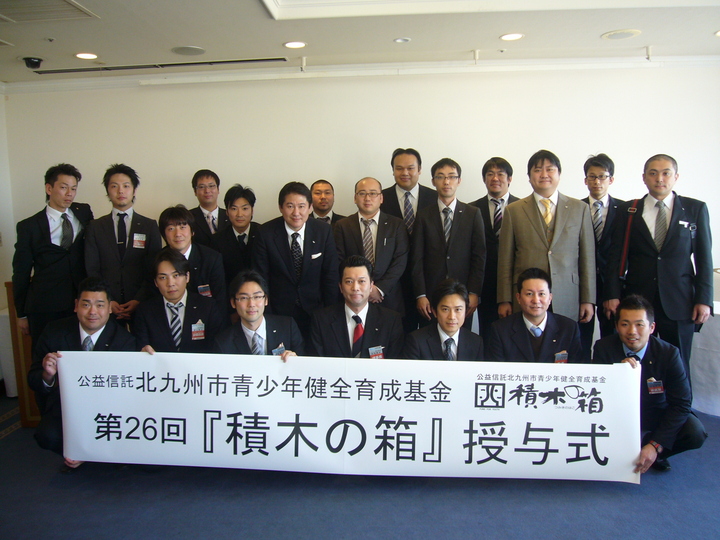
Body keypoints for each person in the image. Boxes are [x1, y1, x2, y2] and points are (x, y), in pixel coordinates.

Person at [603, 154, 712, 377]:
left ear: (676, 177)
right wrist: (612, 294)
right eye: (653, 173)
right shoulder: (629, 211)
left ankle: (679, 401)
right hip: (638, 301)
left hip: (680, 301)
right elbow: (615, 257)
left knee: (679, 365)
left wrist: (704, 299)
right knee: (635, 365)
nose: (659, 178)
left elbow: (704, 259)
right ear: (644, 178)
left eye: (665, 173)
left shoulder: (695, 209)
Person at [27, 277, 136, 467]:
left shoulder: (124, 341)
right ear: (76, 305)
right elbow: (33, 379)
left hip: (108, 412)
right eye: (86, 304)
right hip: (66, 409)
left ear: (110, 308)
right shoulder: (54, 332)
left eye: (100, 305)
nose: (93, 312)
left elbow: (127, 394)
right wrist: (47, 375)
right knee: (47, 436)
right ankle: (75, 452)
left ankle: (92, 454)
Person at [593, 294, 707, 473]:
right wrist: (617, 375)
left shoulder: (669, 354)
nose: (632, 331)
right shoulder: (603, 348)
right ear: (616, 326)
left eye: (639, 324)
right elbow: (596, 394)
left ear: (652, 327)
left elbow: (682, 403)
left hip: (655, 412)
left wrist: (656, 445)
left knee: (695, 432)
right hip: (618, 413)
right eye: (625, 324)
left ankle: (655, 454)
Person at [497, 150, 596, 327]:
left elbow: (587, 258)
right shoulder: (513, 210)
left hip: (568, 295)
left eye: (550, 169)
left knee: (564, 340)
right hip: (526, 297)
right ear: (529, 177)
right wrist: (505, 299)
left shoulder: (580, 209)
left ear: (559, 174)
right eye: (537, 170)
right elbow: (505, 259)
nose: (544, 175)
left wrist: (588, 299)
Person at [13, 163, 94, 344]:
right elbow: (21, 272)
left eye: (74, 188)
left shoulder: (84, 212)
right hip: (44, 305)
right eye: (64, 187)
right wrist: (21, 313)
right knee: (46, 353)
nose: (70, 194)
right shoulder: (29, 226)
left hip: (79, 302)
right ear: (49, 189)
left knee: (79, 351)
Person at [253, 181, 339, 349]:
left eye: (301, 206)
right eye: (290, 206)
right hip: (279, 312)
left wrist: (329, 313)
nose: (296, 213)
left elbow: (330, 274)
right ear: (281, 207)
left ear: (310, 207)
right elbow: (261, 278)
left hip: (316, 311)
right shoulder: (265, 233)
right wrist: (267, 314)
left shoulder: (323, 231)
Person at [411, 157, 486, 328]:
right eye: (440, 177)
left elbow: (479, 256)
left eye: (452, 176)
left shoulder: (473, 214)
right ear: (433, 181)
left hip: (462, 295)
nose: (446, 182)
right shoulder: (423, 215)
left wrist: (474, 292)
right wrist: (420, 295)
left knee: (460, 339)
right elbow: (417, 258)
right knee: (429, 338)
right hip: (431, 296)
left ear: (459, 181)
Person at [84, 163, 162, 322]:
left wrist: (139, 299)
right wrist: (107, 299)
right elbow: (92, 268)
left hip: (142, 304)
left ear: (134, 190)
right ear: (107, 191)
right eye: (114, 186)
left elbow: (154, 268)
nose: (120, 191)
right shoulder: (95, 227)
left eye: (126, 186)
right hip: (105, 306)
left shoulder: (149, 226)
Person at [334, 177, 409, 314]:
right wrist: (362, 288)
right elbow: (339, 260)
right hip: (354, 296)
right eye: (362, 193)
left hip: (388, 297)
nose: (367, 198)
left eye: (373, 193)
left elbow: (400, 260)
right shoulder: (342, 226)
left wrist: (379, 289)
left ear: (381, 198)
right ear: (355, 198)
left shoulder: (396, 224)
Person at [381, 148, 437, 332]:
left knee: (429, 336)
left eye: (410, 168)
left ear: (419, 169)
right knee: (398, 334)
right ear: (393, 170)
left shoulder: (435, 198)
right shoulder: (380, 199)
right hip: (393, 285)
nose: (405, 173)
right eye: (399, 168)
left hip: (428, 282)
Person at [311, 255, 404, 359]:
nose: (355, 288)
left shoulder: (390, 321)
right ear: (340, 287)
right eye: (349, 281)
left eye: (361, 281)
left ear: (371, 286)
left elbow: (394, 363)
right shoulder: (321, 320)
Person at [134, 249, 224, 353]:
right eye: (163, 277)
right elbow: (141, 345)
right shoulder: (145, 311)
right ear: (156, 282)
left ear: (187, 277)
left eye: (176, 275)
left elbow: (216, 347)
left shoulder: (208, 307)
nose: (170, 283)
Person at [579, 154, 624, 358]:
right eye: (592, 176)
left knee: (612, 339)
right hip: (582, 284)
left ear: (611, 179)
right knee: (581, 339)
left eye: (602, 176)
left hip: (612, 284)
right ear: (585, 180)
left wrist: (614, 291)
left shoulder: (624, 210)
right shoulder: (575, 208)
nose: (597, 181)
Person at [470, 157, 519, 346]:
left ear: (510, 178)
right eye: (490, 174)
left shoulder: (523, 207)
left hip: (516, 285)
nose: (495, 178)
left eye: (500, 174)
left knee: (515, 337)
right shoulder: (471, 209)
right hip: (485, 285)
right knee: (488, 336)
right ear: (484, 179)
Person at [488, 267, 582, 363]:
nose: (536, 300)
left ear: (550, 298)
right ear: (519, 298)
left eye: (541, 294)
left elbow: (577, 368)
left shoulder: (569, 328)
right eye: (529, 294)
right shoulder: (501, 330)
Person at [214, 270, 302, 360]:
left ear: (266, 300)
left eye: (257, 297)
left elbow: (304, 362)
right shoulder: (223, 343)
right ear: (233, 303)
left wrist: (296, 360)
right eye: (244, 298)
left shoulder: (288, 328)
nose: (251, 304)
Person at [158, 205, 227, 316]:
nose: (178, 234)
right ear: (164, 235)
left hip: (206, 317)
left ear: (192, 231)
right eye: (171, 229)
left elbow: (220, 301)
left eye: (182, 227)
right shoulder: (157, 261)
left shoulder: (211, 258)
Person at [404, 278, 484, 361]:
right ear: (434, 311)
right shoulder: (416, 341)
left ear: (465, 311)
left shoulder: (476, 342)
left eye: (458, 309)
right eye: (445, 309)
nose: (452, 317)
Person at [210, 184, 261, 294]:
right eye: (234, 209)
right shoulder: (217, 240)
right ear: (227, 212)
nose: (239, 214)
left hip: (259, 295)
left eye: (245, 208)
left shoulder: (263, 234)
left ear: (252, 210)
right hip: (230, 295)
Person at [189, 169, 229, 247]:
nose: (207, 191)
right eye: (201, 187)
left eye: (211, 186)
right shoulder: (188, 217)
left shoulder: (230, 215)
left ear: (218, 189)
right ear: (195, 191)